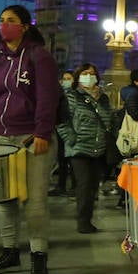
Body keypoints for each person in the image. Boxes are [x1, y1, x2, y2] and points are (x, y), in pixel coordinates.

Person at [0, 5, 61, 274]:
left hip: (32, 138)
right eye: (1, 21)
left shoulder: (38, 56)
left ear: (24, 26)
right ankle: (10, 252)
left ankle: (39, 257)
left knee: (34, 202)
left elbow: (48, 97)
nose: (4, 25)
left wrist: (43, 132)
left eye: (11, 21)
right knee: (5, 200)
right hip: (1, 139)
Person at [57, 63, 116, 234]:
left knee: (93, 187)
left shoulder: (103, 98)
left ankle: (87, 220)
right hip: (79, 148)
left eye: (92, 73)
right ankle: (83, 221)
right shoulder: (72, 96)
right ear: (78, 76)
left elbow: (110, 119)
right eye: (85, 73)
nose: (89, 76)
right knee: (84, 185)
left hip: (99, 148)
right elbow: (62, 122)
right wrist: (71, 139)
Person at [50, 69, 76, 197]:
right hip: (60, 129)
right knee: (62, 159)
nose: (66, 81)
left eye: (69, 79)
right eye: (64, 79)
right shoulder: (58, 94)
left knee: (72, 160)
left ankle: (73, 187)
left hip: (71, 130)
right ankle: (61, 185)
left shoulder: (75, 94)